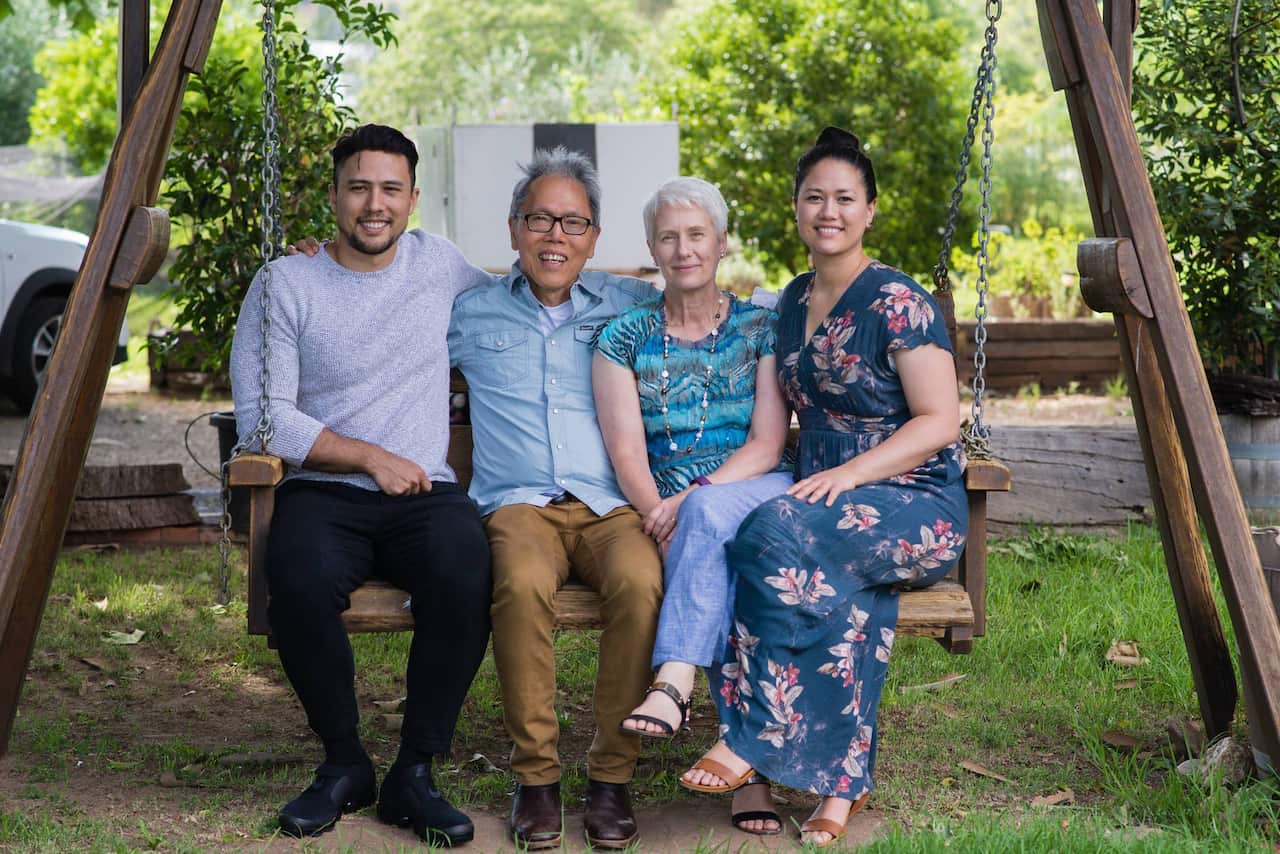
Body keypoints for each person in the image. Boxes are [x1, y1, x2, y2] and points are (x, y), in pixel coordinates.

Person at [678, 127, 969, 849]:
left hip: (913, 498)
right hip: (827, 505)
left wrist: (849, 473)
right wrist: (699, 485)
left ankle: (750, 737)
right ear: (797, 208)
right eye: (815, 197)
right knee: (790, 570)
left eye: (844, 199)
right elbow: (770, 431)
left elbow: (939, 420)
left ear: (870, 210)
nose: (828, 211)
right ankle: (845, 782)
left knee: (773, 535)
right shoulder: (790, 302)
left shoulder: (900, 301)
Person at [230, 124, 492, 846]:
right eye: (359, 188)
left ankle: (415, 772)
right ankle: (345, 762)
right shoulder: (287, 282)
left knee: (466, 568)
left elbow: (523, 299)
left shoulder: (439, 264)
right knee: (298, 578)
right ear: (334, 196)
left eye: (390, 190)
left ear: (413, 198)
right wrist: (370, 457)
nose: (375, 205)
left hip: (425, 494)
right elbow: (262, 416)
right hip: (324, 490)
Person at [447, 147, 662, 850]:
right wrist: (319, 261)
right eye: (539, 219)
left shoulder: (631, 306)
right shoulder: (469, 311)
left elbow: (713, 310)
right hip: (519, 506)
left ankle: (611, 777)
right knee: (518, 584)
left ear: (594, 237)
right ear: (514, 228)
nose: (555, 236)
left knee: (640, 583)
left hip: (611, 505)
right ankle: (536, 778)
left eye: (573, 223)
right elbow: (384, 321)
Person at [591, 176, 792, 835]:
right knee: (726, 567)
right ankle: (750, 771)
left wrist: (689, 502)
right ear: (652, 248)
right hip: (668, 505)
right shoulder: (623, 337)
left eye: (697, 235)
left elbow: (767, 445)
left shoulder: (760, 328)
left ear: (722, 242)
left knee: (708, 523)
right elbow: (627, 453)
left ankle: (673, 683)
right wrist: (659, 513)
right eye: (669, 237)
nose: (684, 249)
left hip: (753, 488)